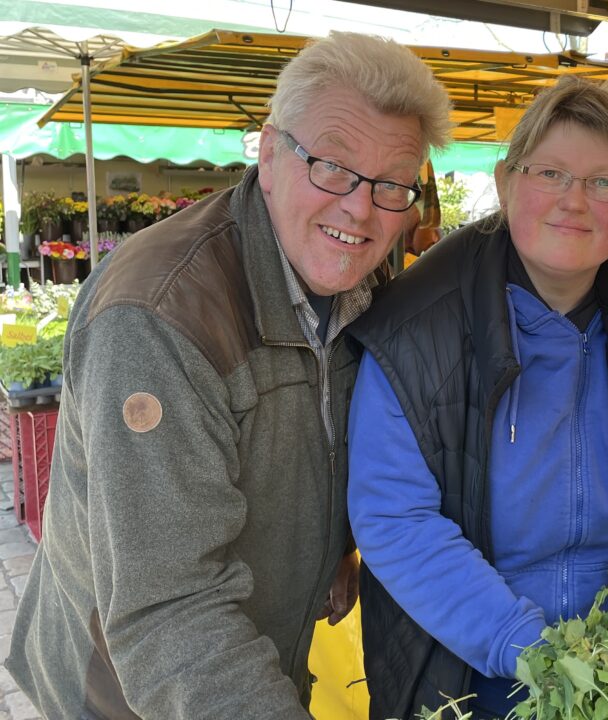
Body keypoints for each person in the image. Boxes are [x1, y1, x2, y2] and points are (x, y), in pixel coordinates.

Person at [7, 31, 449, 719]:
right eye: (332, 165)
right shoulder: (158, 316)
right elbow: (170, 610)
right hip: (125, 688)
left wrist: (336, 543)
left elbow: (334, 419)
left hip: (263, 646)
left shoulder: (363, 277)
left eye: (391, 184)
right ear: (270, 155)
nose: (360, 209)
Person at [346, 76, 608, 719]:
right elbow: (394, 518)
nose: (575, 201)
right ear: (504, 180)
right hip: (471, 682)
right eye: (550, 172)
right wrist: (539, 657)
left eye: (605, 181)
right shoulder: (419, 322)